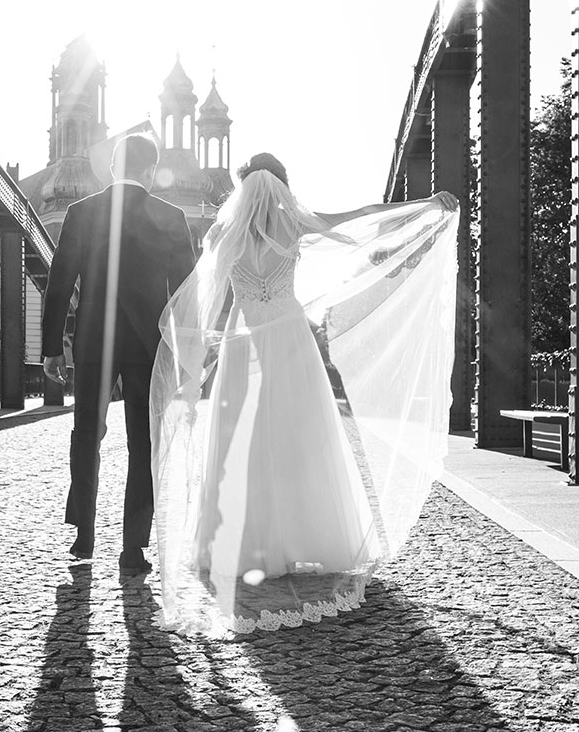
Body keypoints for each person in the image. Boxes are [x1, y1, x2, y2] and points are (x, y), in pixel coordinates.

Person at [150, 152, 458, 634]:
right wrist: (425, 205)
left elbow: (206, 294)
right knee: (301, 433)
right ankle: (306, 537)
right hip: (289, 334)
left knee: (243, 438)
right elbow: (361, 217)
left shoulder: (223, 232)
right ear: (281, 185)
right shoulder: (294, 223)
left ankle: (244, 542)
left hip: (244, 339)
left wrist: (196, 361)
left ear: (243, 188)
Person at [42, 134, 197, 576]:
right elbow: (187, 295)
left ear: (112, 167)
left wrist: (52, 348)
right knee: (143, 443)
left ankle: (84, 533)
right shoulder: (171, 217)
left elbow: (59, 283)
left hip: (94, 341)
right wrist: (187, 352)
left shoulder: (81, 212)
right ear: (151, 170)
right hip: (149, 345)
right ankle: (133, 549)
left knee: (86, 434)